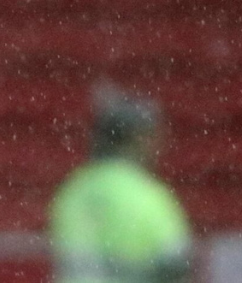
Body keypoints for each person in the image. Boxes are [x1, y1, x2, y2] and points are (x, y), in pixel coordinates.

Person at [49, 87, 192, 283]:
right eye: (153, 136)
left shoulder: (73, 191)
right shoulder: (148, 197)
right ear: (139, 138)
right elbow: (176, 266)